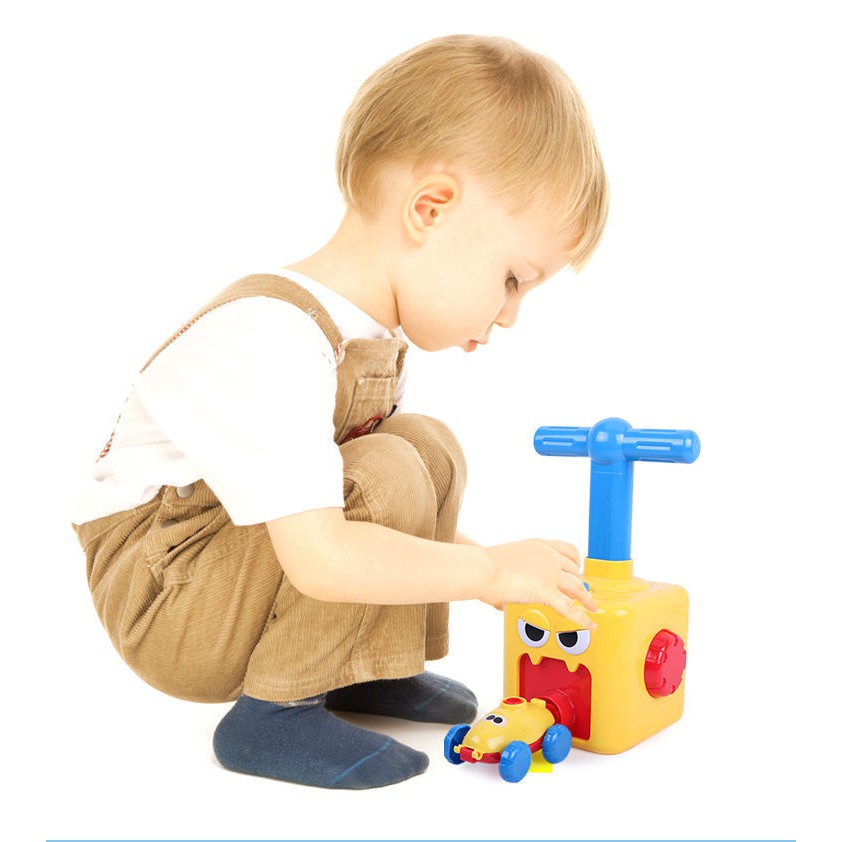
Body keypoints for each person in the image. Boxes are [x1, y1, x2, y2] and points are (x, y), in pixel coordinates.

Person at [71, 34, 607, 790]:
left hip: (235, 561)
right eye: (513, 278)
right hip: (169, 597)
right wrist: (486, 572)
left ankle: (367, 666)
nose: (511, 313)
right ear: (430, 209)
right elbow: (324, 551)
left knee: (426, 447)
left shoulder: (366, 334)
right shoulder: (272, 337)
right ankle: (273, 715)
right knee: (387, 467)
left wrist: (499, 565)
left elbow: (355, 513)